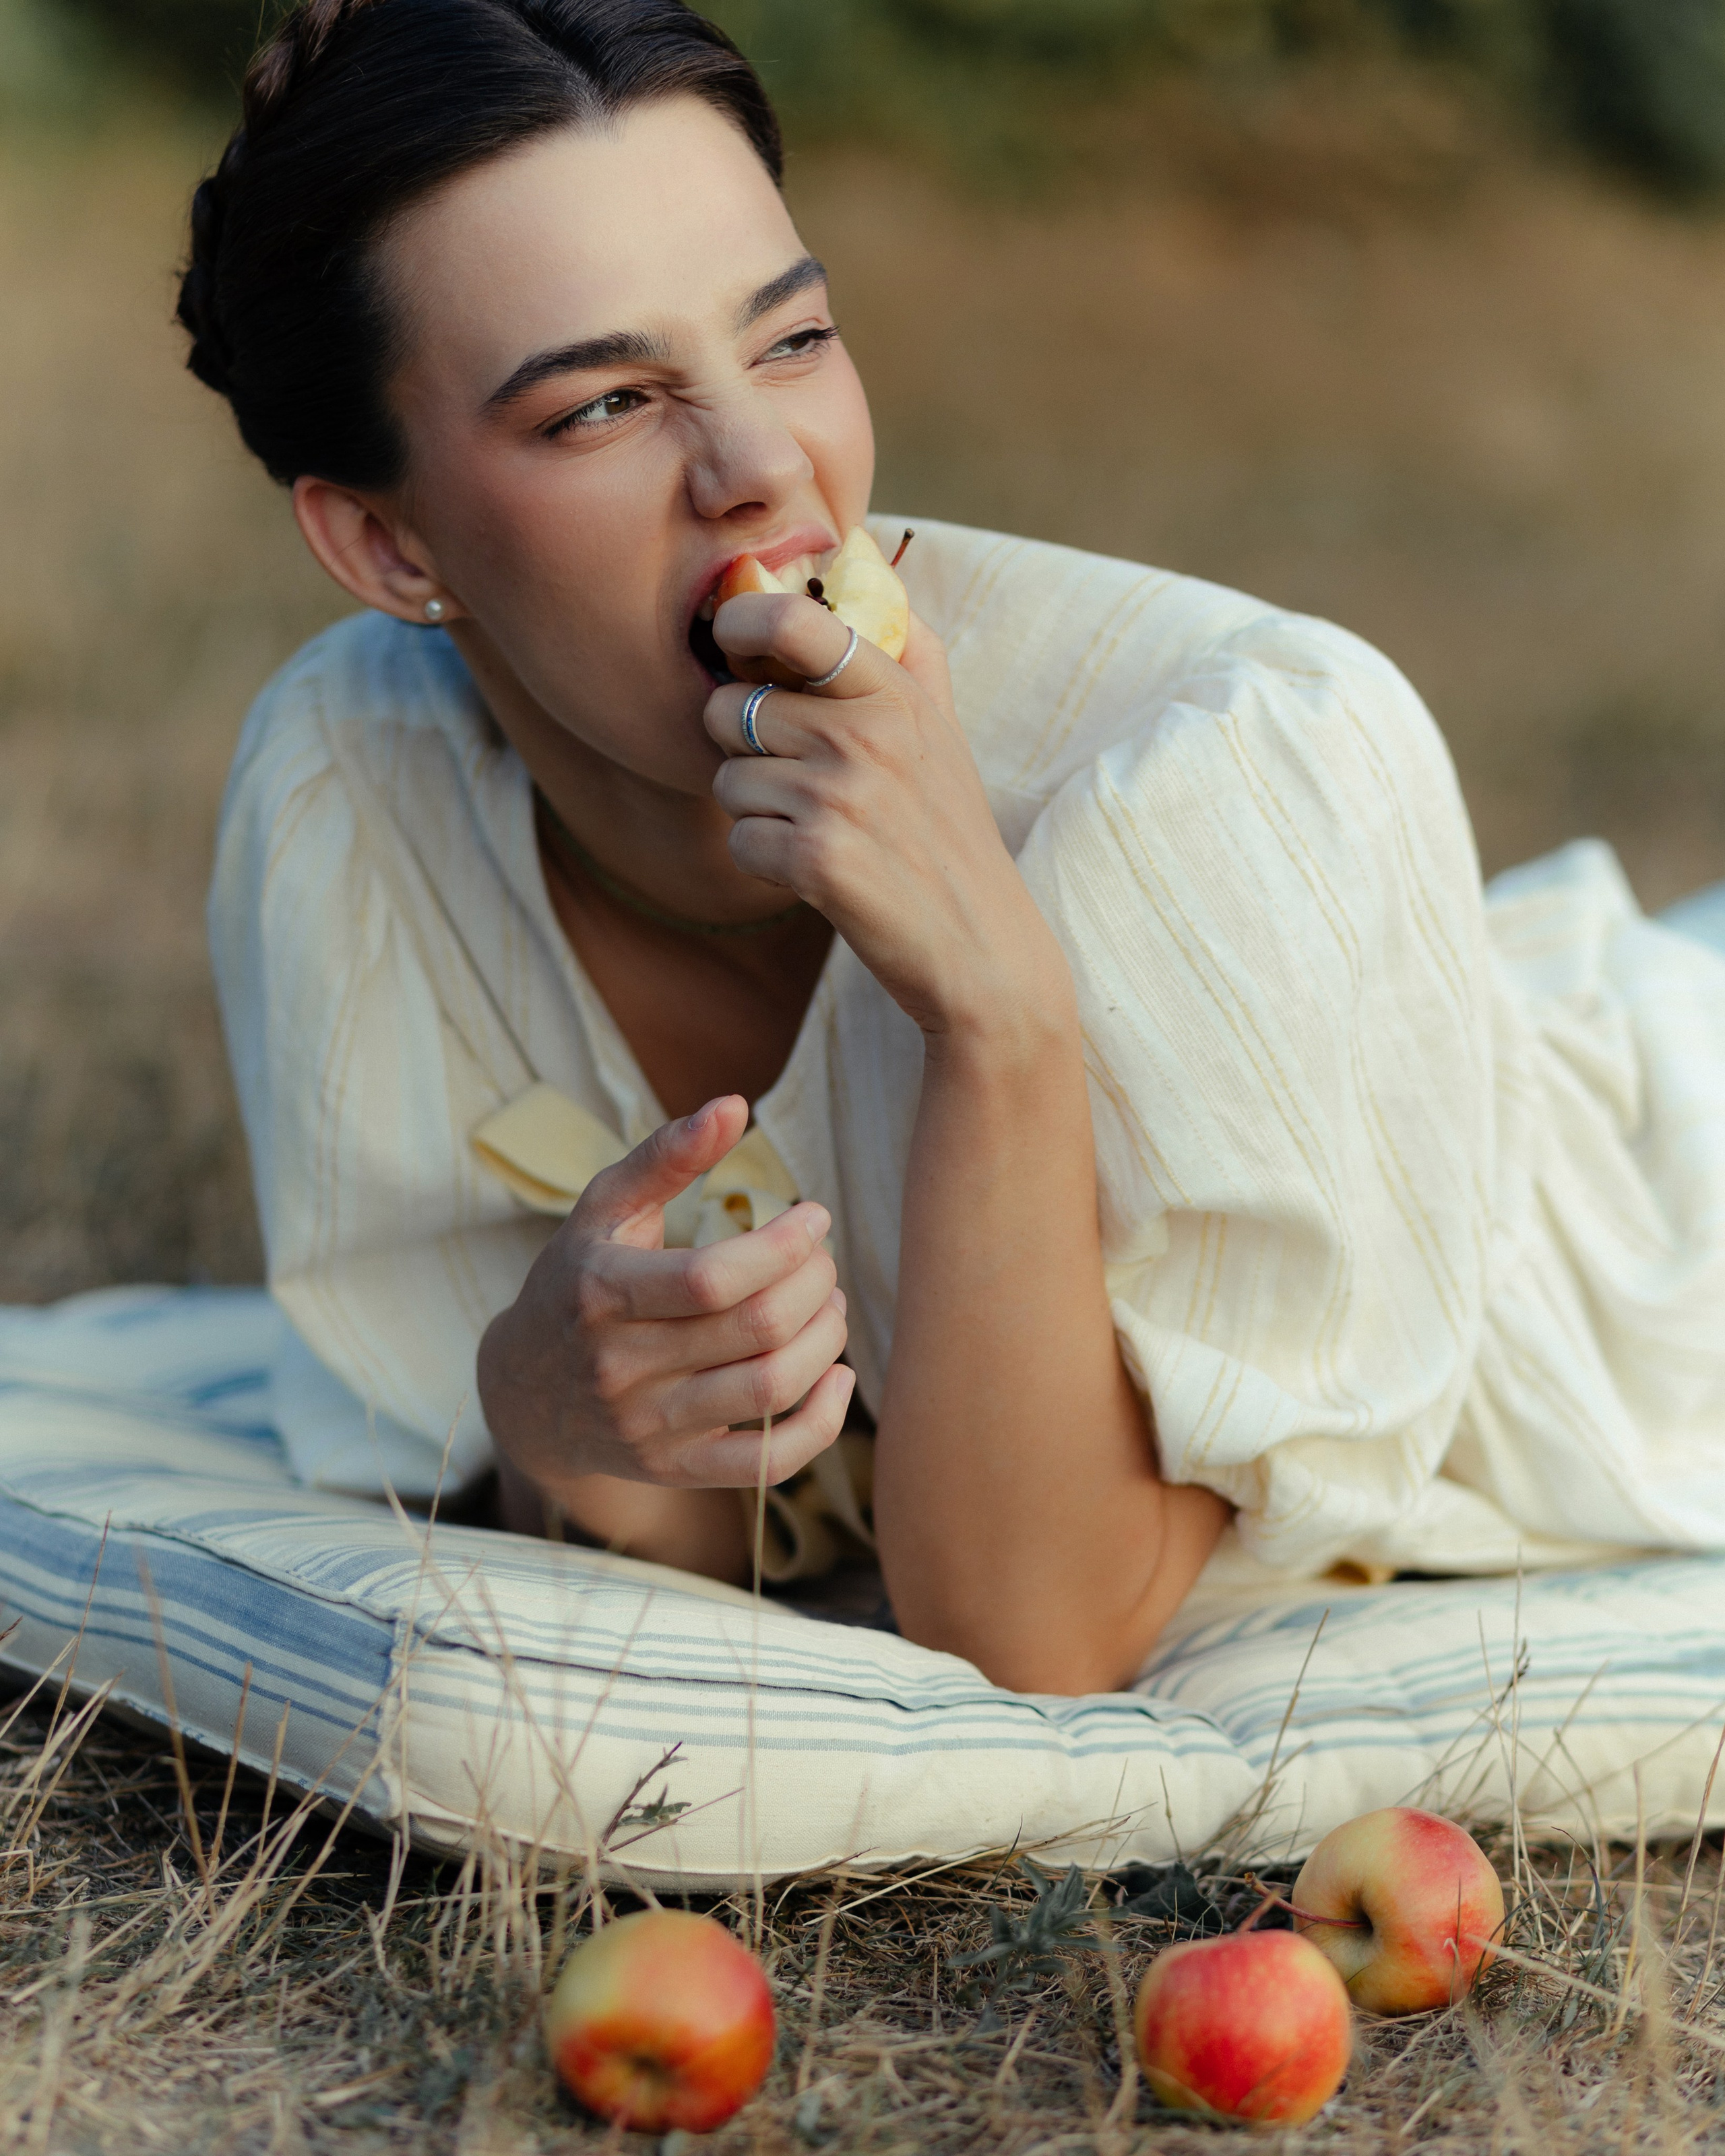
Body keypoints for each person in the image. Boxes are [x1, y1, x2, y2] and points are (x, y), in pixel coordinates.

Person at [180, 0, 1725, 1698]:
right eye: (607, 404)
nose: (763, 468)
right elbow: (732, 1529)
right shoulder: (351, 792)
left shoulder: (1238, 759)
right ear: (389, 542)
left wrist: (994, 1008)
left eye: (789, 341)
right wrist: (554, 1414)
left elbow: (1039, 1631)